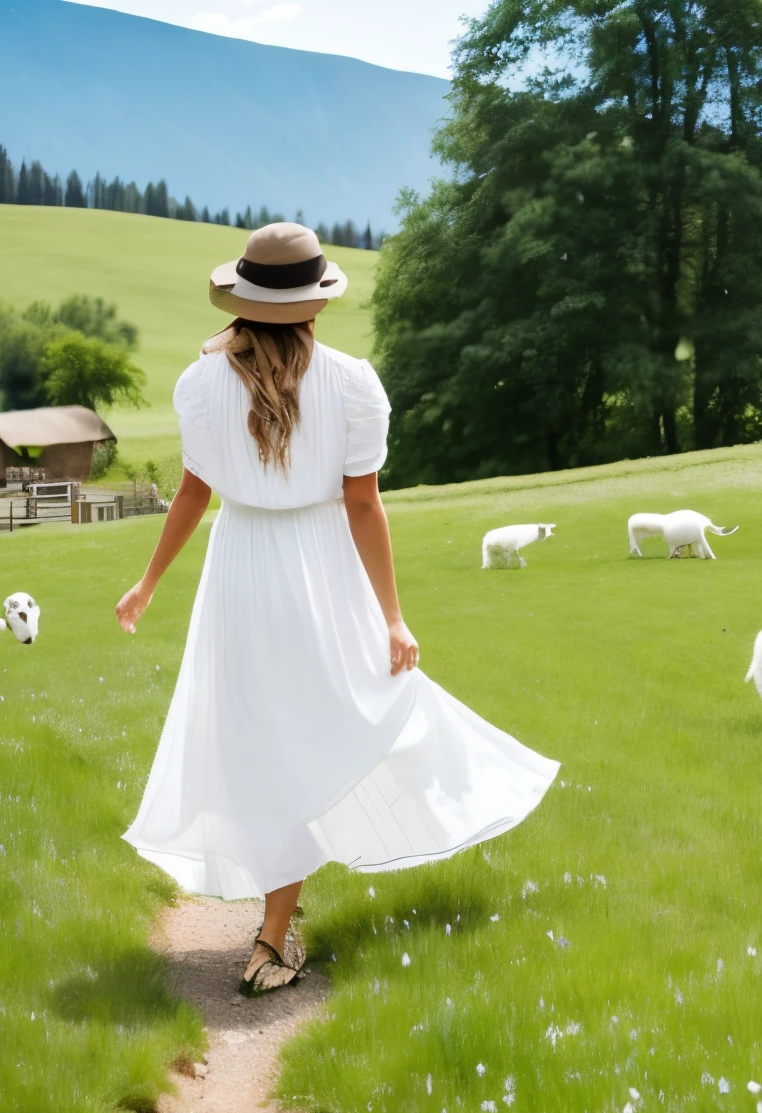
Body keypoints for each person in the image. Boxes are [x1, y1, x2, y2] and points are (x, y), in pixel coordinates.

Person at [117, 223, 557, 994]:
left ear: (243, 300)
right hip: (321, 566)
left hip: (241, 568)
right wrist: (391, 615)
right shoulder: (354, 382)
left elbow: (194, 491)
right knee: (344, 718)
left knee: (259, 735)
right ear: (315, 304)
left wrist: (149, 581)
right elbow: (362, 504)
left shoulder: (200, 381)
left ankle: (274, 927)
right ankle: (274, 935)